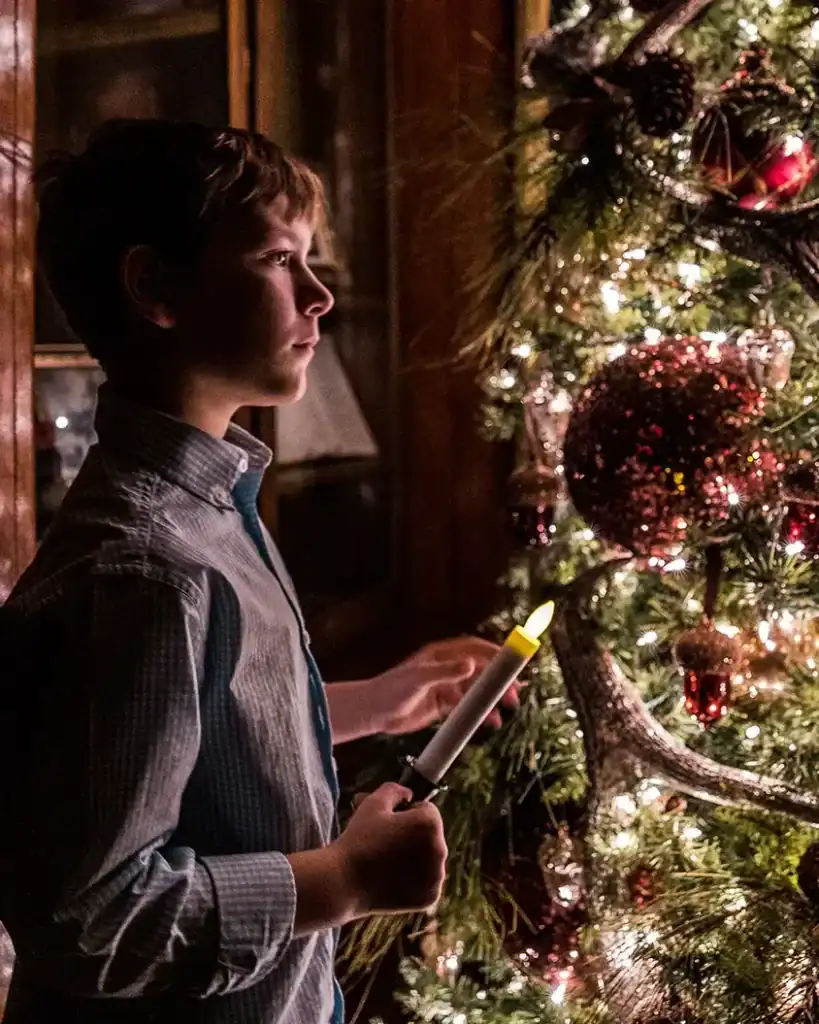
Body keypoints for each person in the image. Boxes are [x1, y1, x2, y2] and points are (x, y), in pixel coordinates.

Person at [0, 120, 518, 1024]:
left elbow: (204, 723)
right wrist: (344, 880)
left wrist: (376, 700)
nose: (319, 295)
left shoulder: (211, 506)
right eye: (280, 260)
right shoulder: (142, 573)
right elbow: (91, 924)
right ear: (156, 286)